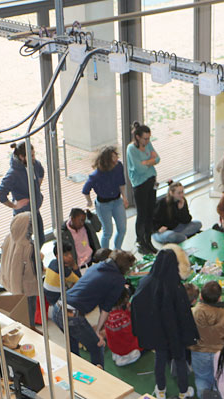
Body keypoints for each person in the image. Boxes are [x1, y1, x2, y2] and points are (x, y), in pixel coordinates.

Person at [131, 249, 199, 399]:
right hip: (175, 334)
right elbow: (184, 315)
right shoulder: (177, 288)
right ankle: (183, 391)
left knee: (160, 360)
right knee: (180, 360)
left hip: (156, 331)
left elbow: (136, 304)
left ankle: (160, 390)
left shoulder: (145, 282)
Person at [51, 249, 135, 367]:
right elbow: (106, 309)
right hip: (72, 315)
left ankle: (76, 372)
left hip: (57, 308)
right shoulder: (118, 279)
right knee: (97, 346)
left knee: (73, 343)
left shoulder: (98, 266)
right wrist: (97, 332)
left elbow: (101, 303)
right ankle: (99, 379)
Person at [188, 281, 224, 398]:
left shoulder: (192, 313)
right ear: (219, 298)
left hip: (199, 351)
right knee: (220, 378)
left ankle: (204, 398)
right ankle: (218, 398)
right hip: (220, 353)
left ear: (201, 296)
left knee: (201, 378)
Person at [0, 141, 46, 247]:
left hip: (35, 211)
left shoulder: (35, 164)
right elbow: (0, 194)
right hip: (23, 215)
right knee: (23, 245)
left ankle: (34, 261)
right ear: (21, 157)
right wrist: (14, 205)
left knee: (41, 239)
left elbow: (41, 172)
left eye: (34, 154)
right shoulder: (13, 174)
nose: (34, 158)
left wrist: (36, 188)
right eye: (31, 155)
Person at [83, 146, 128, 250]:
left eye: (116, 155)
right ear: (107, 161)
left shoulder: (118, 166)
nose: (117, 158)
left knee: (122, 229)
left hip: (117, 201)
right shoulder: (96, 175)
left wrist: (124, 197)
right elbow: (85, 190)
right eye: (113, 157)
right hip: (103, 205)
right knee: (108, 232)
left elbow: (121, 183)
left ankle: (117, 250)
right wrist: (89, 201)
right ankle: (105, 255)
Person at [0, 212, 39, 328]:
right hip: (26, 287)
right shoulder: (26, 246)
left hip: (12, 283)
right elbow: (23, 271)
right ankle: (30, 329)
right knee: (28, 311)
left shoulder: (9, 238)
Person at [126, 122, 160, 254]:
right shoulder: (131, 149)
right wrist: (150, 162)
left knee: (150, 212)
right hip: (140, 184)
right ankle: (141, 241)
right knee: (142, 213)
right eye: (145, 138)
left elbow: (158, 158)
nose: (148, 141)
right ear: (138, 137)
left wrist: (147, 162)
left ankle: (148, 240)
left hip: (151, 181)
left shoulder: (148, 145)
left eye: (149, 138)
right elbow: (138, 169)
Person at [104, 287, 142, 367]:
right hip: (124, 347)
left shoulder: (107, 312)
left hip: (114, 345)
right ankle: (124, 358)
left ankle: (119, 355)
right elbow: (131, 334)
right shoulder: (121, 317)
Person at [43, 240, 81, 306]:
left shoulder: (52, 262)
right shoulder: (63, 269)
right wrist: (74, 265)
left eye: (70, 253)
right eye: (66, 255)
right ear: (58, 256)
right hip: (57, 299)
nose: (70, 256)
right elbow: (80, 281)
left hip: (49, 297)